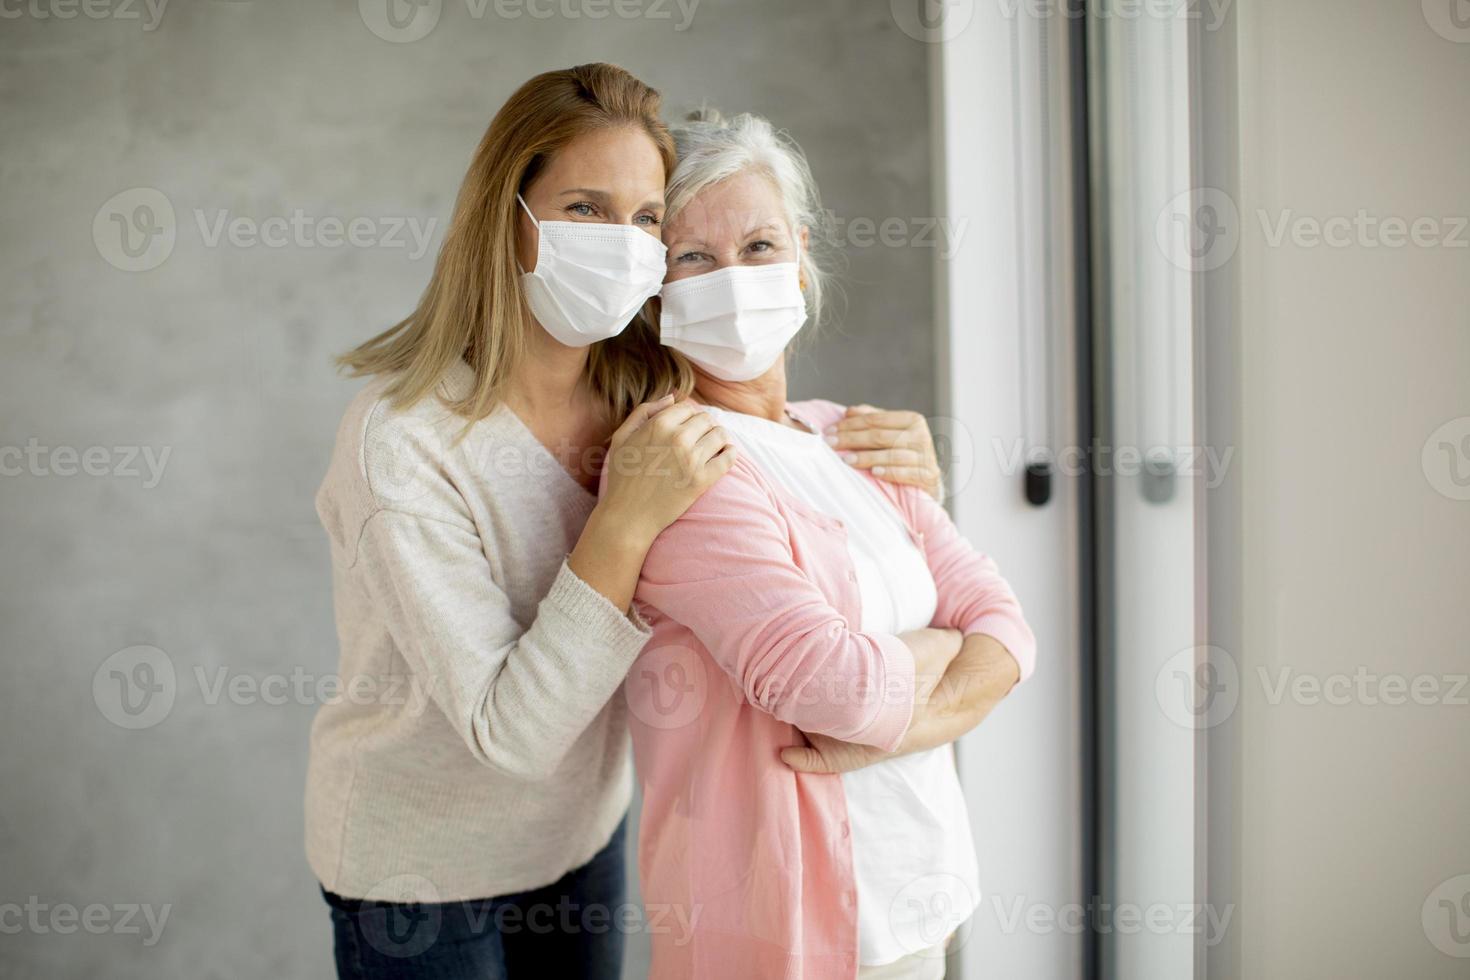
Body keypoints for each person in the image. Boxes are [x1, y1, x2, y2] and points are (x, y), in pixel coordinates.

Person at [306, 65, 946, 979]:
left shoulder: (644, 396)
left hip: (581, 838)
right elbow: (509, 731)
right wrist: (624, 522)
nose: (623, 242)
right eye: (585, 209)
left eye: (647, 220)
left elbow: (788, 490)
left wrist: (898, 471)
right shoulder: (405, 443)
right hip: (420, 868)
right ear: (510, 221)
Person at [624, 109, 1037, 980]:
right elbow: (830, 688)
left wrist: (898, 716)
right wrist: (949, 650)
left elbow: (1008, 626)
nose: (731, 279)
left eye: (760, 245)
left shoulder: (851, 437)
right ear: (651, 291)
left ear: (802, 257)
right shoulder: (684, 463)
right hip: (789, 934)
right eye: (692, 257)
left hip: (920, 900)